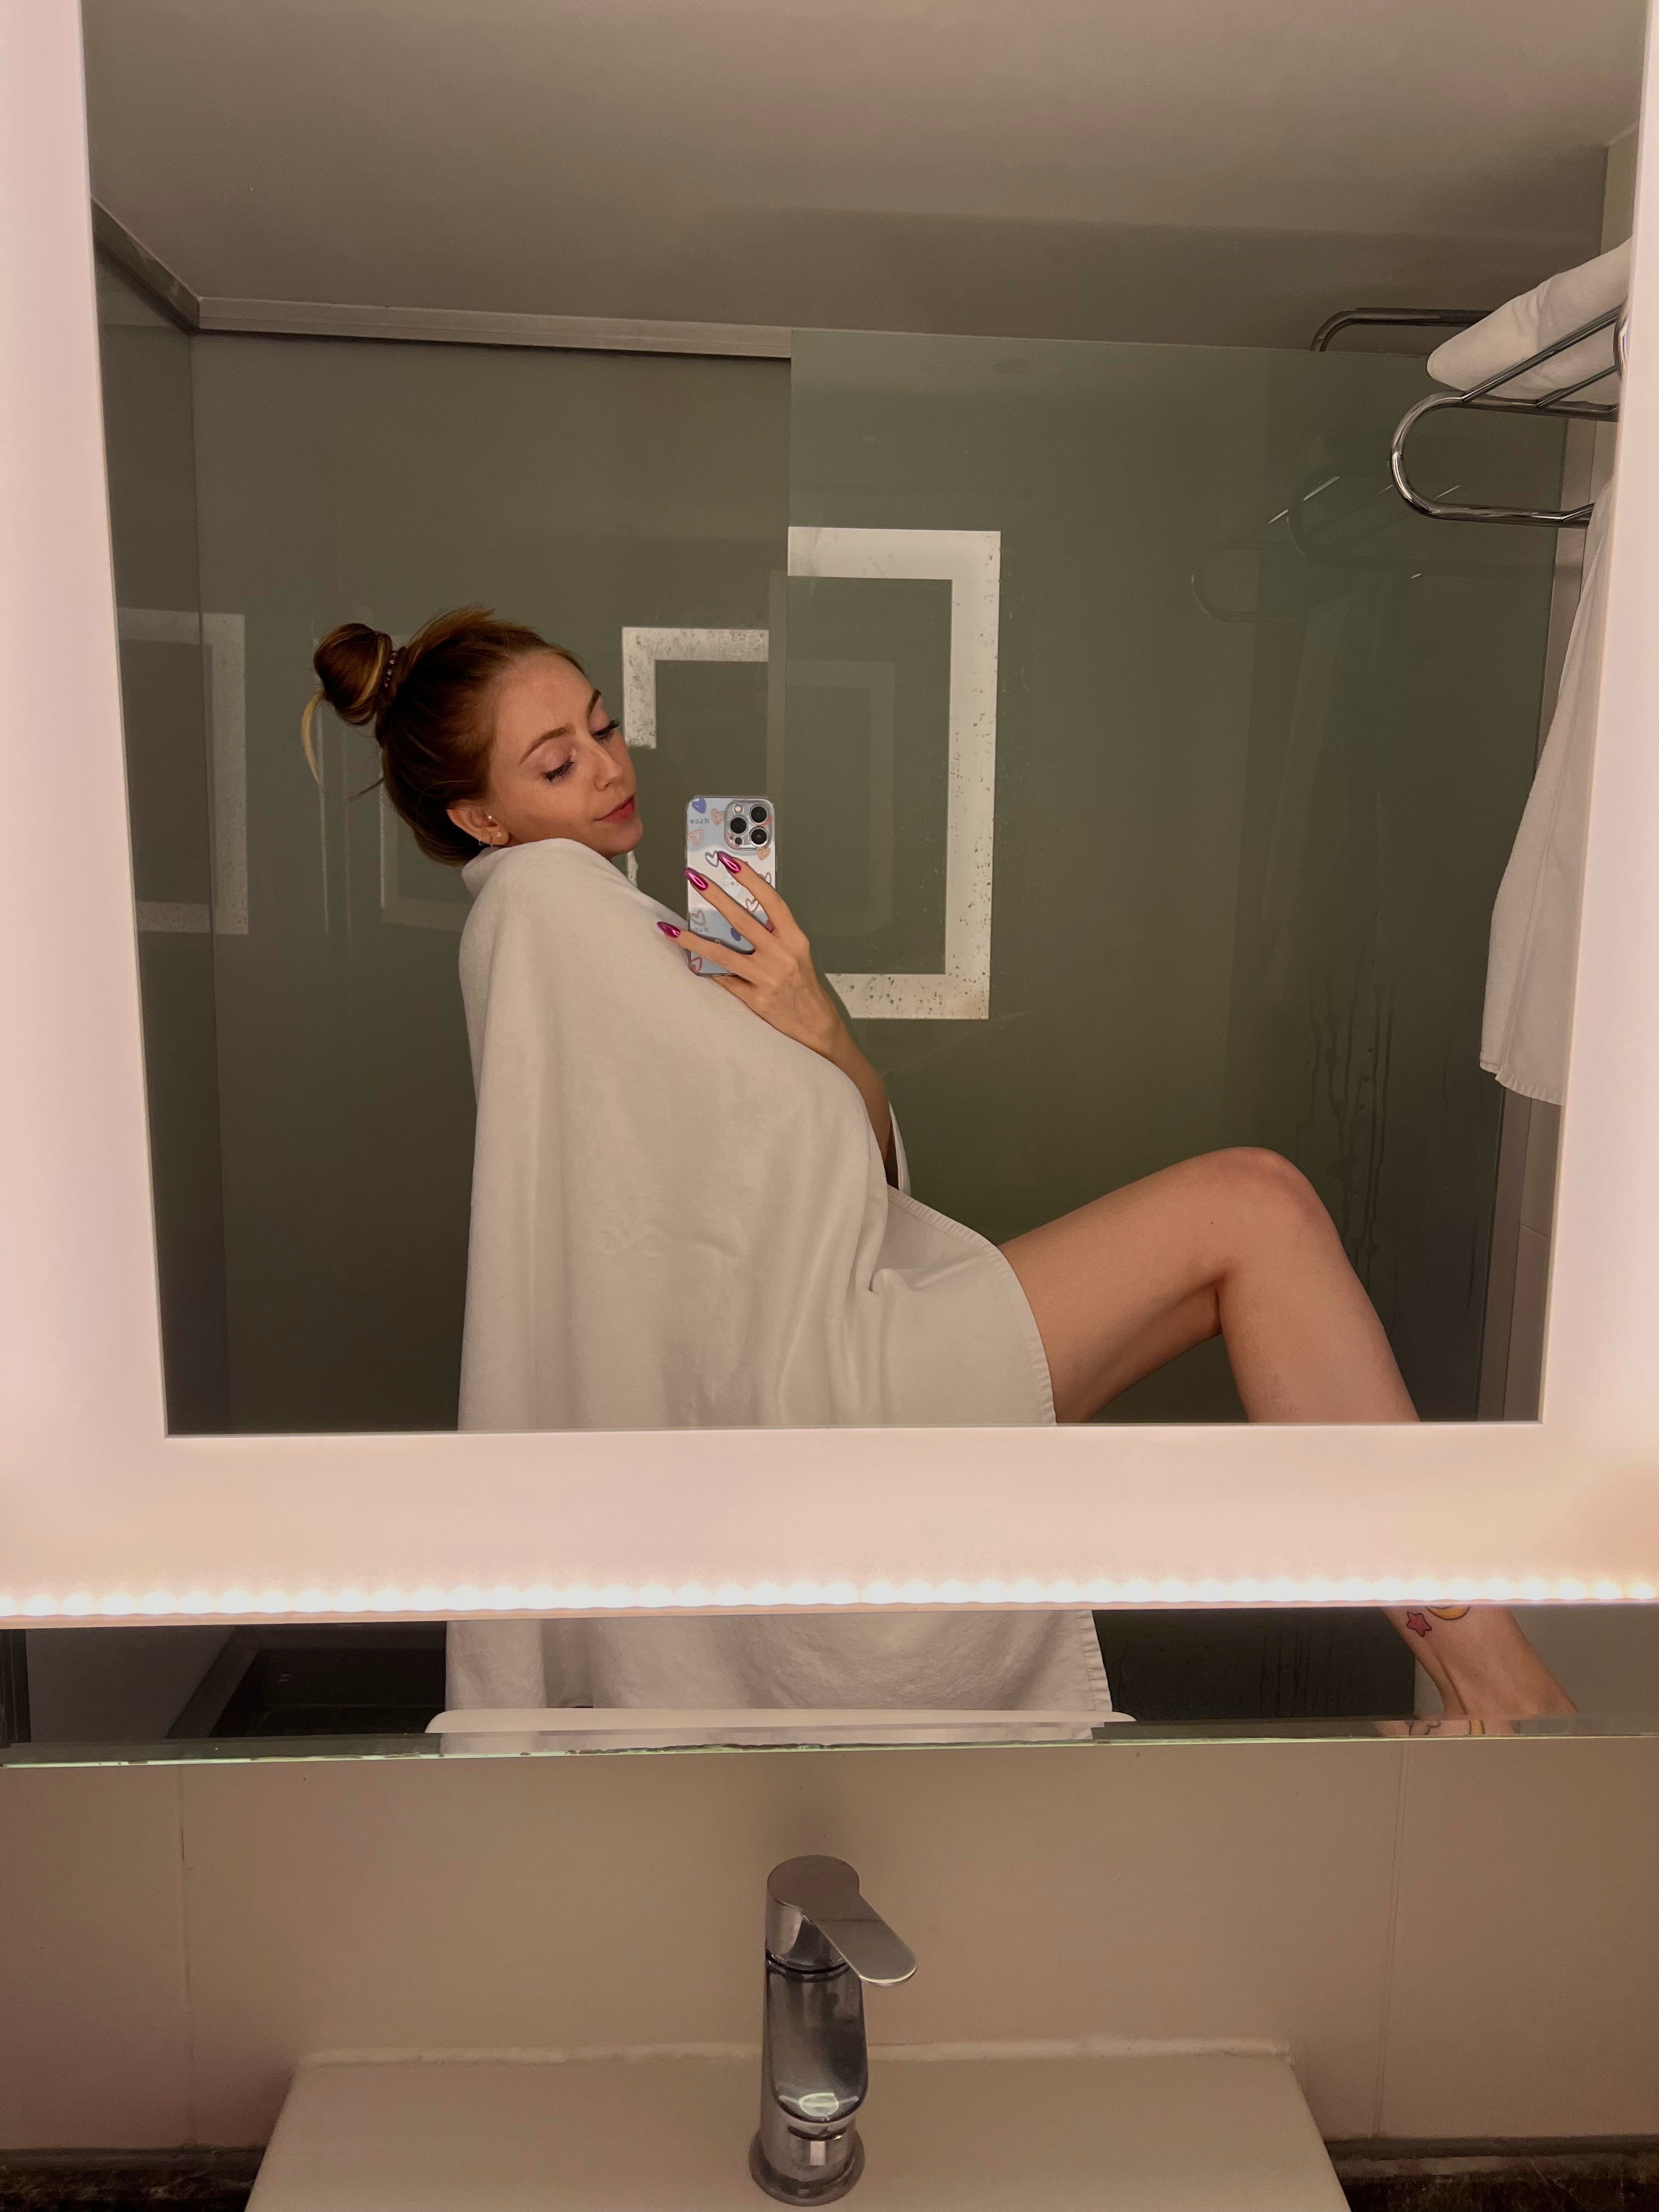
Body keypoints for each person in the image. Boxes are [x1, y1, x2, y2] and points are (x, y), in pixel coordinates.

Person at [303, 607, 1573, 1724]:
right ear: (479, 817)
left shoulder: (604, 922)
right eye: (556, 760)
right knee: (1256, 1208)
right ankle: (1500, 1688)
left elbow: (809, 1174)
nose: (608, 767)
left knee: (1253, 1225)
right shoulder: (546, 906)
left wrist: (816, 1026)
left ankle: (1487, 1688)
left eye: (604, 725)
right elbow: (737, 1200)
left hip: (827, 1360)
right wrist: (810, 1056)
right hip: (815, 1398)